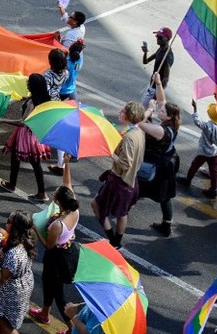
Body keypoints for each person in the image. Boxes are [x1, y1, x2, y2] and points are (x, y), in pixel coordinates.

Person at [29, 159, 80, 325]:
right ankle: (44, 313)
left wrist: (35, 227)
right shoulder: (74, 209)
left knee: (59, 294)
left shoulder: (57, 225)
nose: (54, 193)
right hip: (69, 251)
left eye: (55, 194)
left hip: (57, 258)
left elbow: (48, 246)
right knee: (47, 282)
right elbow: (67, 183)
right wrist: (66, 164)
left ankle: (70, 327)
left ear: (58, 203)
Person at [92, 101, 146, 249]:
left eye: (122, 111)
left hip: (119, 181)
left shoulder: (129, 138)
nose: (119, 112)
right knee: (122, 213)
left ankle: (112, 240)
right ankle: (117, 242)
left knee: (97, 205)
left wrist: (112, 154)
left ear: (129, 116)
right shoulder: (138, 132)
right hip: (131, 180)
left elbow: (125, 163)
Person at [137, 76, 181, 237]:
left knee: (139, 187)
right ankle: (166, 223)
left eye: (162, 111)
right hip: (168, 162)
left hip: (158, 166)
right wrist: (158, 83)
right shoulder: (172, 123)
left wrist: (149, 108)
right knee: (165, 195)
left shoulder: (161, 131)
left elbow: (139, 123)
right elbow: (162, 100)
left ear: (168, 116)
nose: (159, 110)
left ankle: (122, 209)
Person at [0, 74, 52, 200]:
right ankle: (41, 191)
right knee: (35, 163)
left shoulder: (32, 102)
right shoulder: (42, 99)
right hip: (35, 134)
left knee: (18, 159)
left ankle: (13, 184)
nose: (27, 84)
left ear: (33, 86)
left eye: (29, 82)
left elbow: (23, 122)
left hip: (25, 135)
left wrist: (3, 120)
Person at [0, 210, 36, 334]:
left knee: (2, 319)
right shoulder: (23, 239)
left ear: (15, 227)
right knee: (3, 317)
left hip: (12, 291)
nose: (6, 223)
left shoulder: (15, 254)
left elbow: (1, 279)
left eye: (8, 222)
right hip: (22, 284)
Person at [181, 100, 217, 199]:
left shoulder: (207, 126)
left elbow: (197, 121)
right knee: (213, 171)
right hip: (215, 152)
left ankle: (188, 180)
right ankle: (213, 189)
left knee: (195, 165)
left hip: (204, 152)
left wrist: (195, 108)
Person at [141, 26, 175, 93]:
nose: (157, 39)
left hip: (156, 90)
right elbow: (145, 61)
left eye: (160, 37)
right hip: (151, 85)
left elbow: (165, 79)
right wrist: (145, 52)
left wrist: (156, 96)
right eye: (157, 36)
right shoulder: (160, 49)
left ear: (167, 39)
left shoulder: (167, 56)